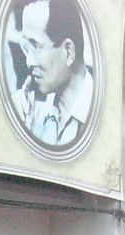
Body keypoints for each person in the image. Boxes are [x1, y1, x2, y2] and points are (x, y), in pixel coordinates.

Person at [12, 0, 95, 147]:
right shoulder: (32, 115)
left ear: (69, 52)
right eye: (26, 47)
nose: (29, 62)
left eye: (36, 46)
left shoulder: (103, 120)